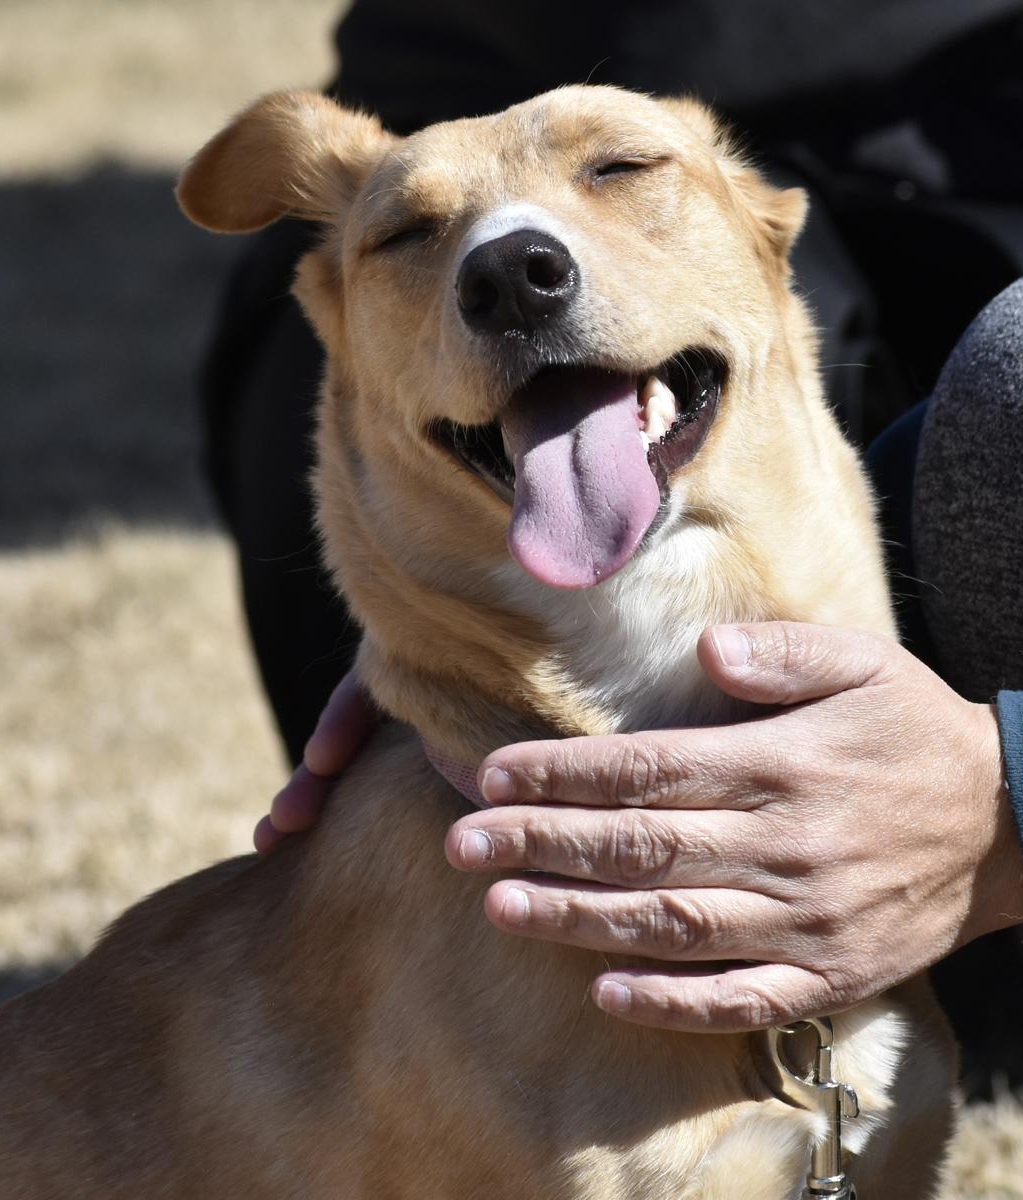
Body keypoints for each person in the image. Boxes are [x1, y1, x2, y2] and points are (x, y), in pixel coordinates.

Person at [200, 0, 1023, 1087]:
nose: (508, 266)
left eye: (620, 170)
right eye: (409, 233)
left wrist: (1005, 792)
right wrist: (433, 616)